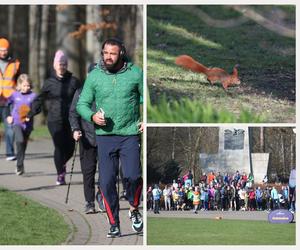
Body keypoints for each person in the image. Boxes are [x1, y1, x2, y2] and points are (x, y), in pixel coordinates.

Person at [76, 38, 143, 238]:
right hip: (104, 137)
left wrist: (146, 119)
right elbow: (82, 104)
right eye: (105, 53)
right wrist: (92, 116)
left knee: (133, 176)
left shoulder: (135, 73)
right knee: (106, 182)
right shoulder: (95, 76)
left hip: (130, 133)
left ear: (121, 53)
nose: (108, 57)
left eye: (112, 53)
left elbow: (146, 98)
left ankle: (133, 207)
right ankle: (114, 223)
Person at [27, 50, 81, 185]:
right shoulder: (49, 82)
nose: (61, 66)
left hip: (70, 119)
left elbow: (83, 98)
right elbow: (40, 99)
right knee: (59, 146)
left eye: (64, 64)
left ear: (66, 65)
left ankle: (61, 164)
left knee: (70, 148)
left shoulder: (74, 81)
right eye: (59, 64)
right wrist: (32, 112)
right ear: (54, 65)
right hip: (54, 119)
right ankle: (60, 174)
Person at [69, 63, 105, 214]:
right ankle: (89, 202)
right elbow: (73, 113)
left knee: (107, 173)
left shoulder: (107, 92)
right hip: (87, 139)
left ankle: (101, 196)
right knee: (88, 172)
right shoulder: (80, 92)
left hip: (105, 138)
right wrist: (75, 130)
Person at [5, 74, 36, 175]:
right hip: (17, 122)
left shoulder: (33, 96)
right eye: (24, 85)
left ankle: (20, 164)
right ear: (19, 85)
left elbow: (37, 108)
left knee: (23, 145)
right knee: (20, 140)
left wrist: (31, 114)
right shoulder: (14, 95)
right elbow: (6, 105)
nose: (26, 88)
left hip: (28, 125)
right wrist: (8, 116)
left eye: (28, 85)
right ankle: (19, 165)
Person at [0, 38, 20, 161]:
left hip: (9, 100)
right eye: (1, 50)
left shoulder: (15, 63)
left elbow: (19, 81)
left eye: (5, 50)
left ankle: (10, 153)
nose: (3, 52)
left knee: (10, 127)